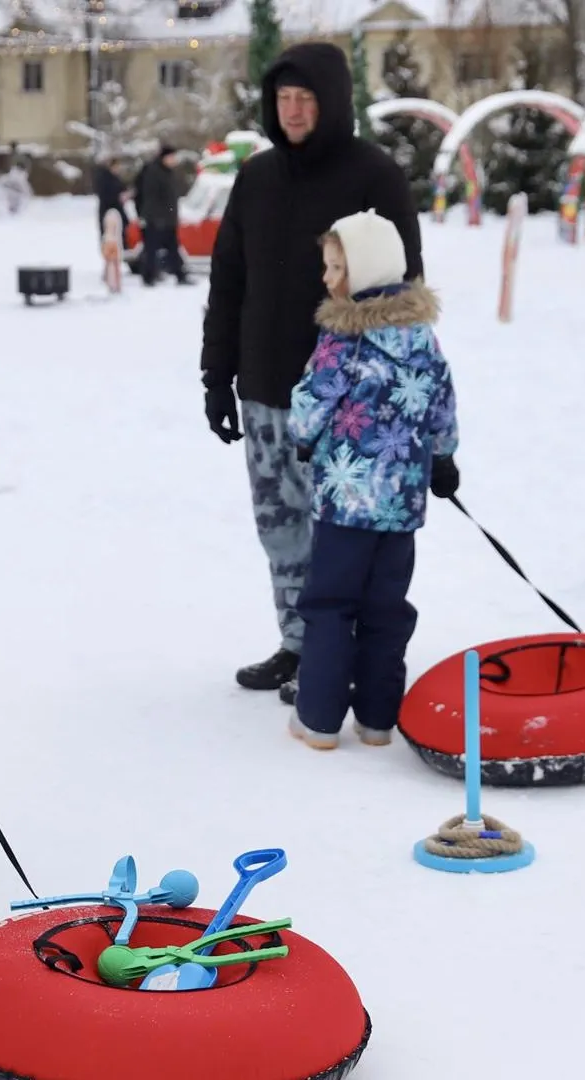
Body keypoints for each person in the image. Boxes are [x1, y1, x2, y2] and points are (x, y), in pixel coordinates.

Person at [199, 42, 424, 699]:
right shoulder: (257, 177)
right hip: (266, 394)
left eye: (305, 99)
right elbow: (229, 281)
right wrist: (218, 377)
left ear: (331, 104)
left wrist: (390, 390)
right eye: (283, 99)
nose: (292, 111)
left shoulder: (373, 175)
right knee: (281, 530)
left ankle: (339, 654)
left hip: (345, 404)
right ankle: (299, 646)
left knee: (339, 536)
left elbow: (402, 290)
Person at [285, 210, 455, 749]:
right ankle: (379, 718)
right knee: (387, 609)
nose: (327, 278)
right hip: (401, 506)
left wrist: (304, 436)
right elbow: (442, 403)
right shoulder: (422, 339)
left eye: (336, 267)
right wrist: (444, 458)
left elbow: (311, 402)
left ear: (363, 273)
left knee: (331, 604)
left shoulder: (343, 340)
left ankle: (317, 719)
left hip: (345, 503)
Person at [134, 143, 189, 286]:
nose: (174, 160)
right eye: (172, 157)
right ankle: (148, 277)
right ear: (164, 157)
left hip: (168, 218)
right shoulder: (154, 172)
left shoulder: (168, 172)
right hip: (156, 219)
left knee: (172, 248)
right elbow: (151, 196)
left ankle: (179, 275)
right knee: (151, 249)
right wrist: (155, 217)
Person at [90, 153, 128, 241]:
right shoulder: (103, 178)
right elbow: (105, 194)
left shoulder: (115, 178)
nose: (118, 169)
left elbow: (122, 188)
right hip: (108, 210)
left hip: (117, 209)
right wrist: (119, 196)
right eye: (116, 167)